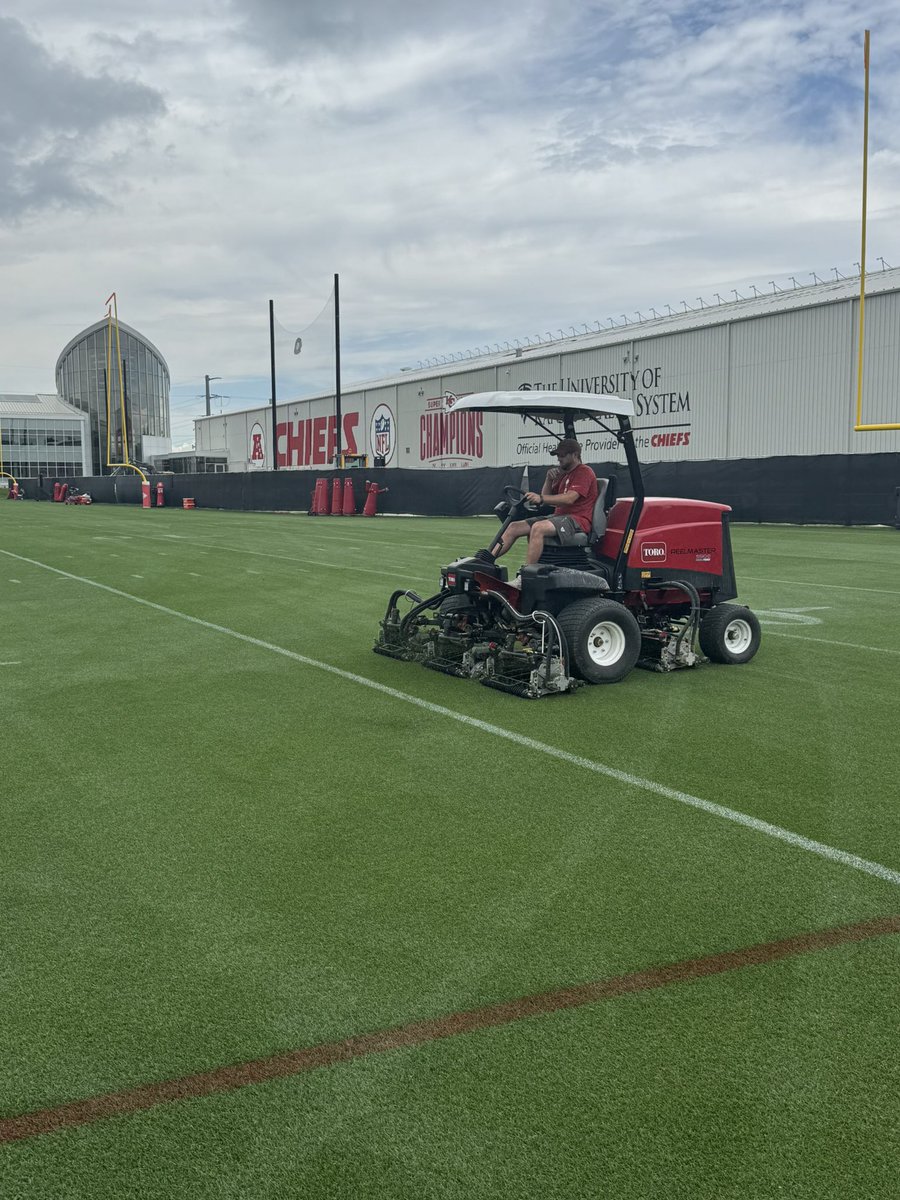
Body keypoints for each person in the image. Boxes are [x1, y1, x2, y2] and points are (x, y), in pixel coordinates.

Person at [486, 438, 599, 566]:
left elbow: (569, 498)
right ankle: (486, 561)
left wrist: (541, 498)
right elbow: (546, 499)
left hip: (578, 520)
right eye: (557, 455)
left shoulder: (584, 472)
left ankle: (526, 575)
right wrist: (549, 480)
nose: (558, 458)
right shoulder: (564, 475)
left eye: (562, 455)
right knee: (514, 527)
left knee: (538, 528)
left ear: (575, 455)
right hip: (560, 517)